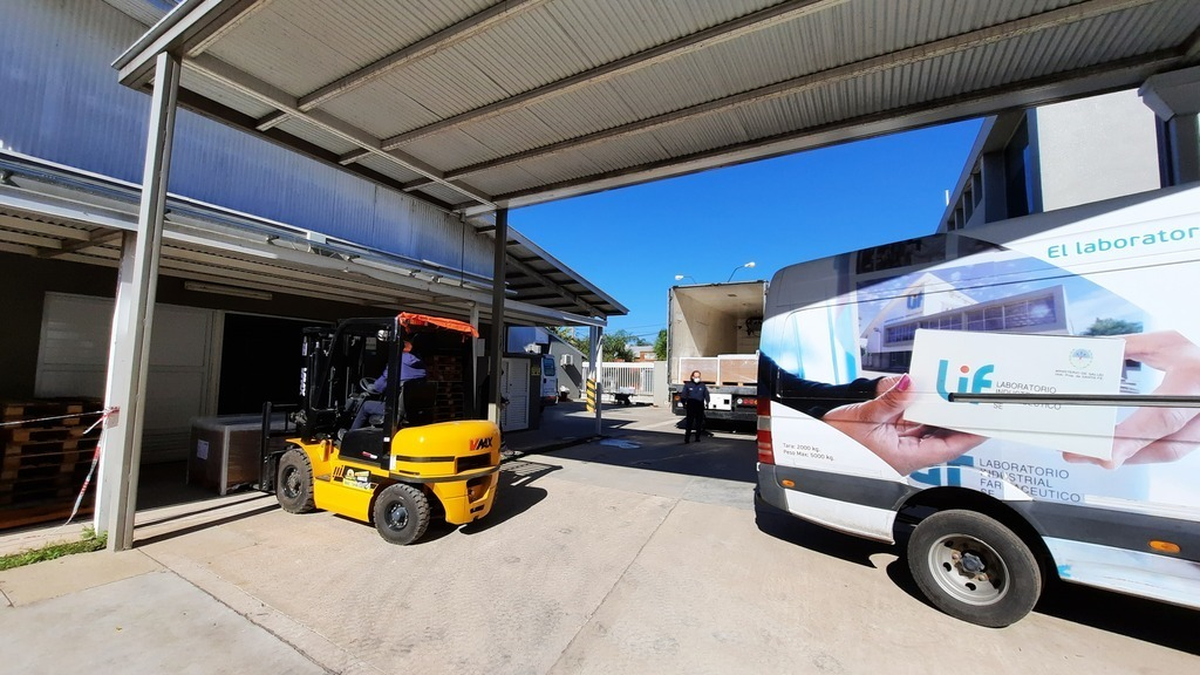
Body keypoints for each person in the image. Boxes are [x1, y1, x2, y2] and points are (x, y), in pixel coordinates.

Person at [349, 339, 426, 431]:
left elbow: (380, 384)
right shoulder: (420, 365)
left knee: (366, 405)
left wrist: (373, 387)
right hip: (411, 410)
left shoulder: (397, 361)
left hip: (396, 410)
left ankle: (351, 433)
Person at [680, 370, 710, 443]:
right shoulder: (688, 385)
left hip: (700, 407)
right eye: (696, 377)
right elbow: (683, 395)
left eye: (698, 377)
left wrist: (707, 402)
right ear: (692, 377)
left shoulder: (702, 385)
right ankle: (687, 438)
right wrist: (684, 403)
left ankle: (697, 438)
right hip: (691, 407)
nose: (697, 378)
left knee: (699, 423)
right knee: (689, 423)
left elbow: (706, 394)